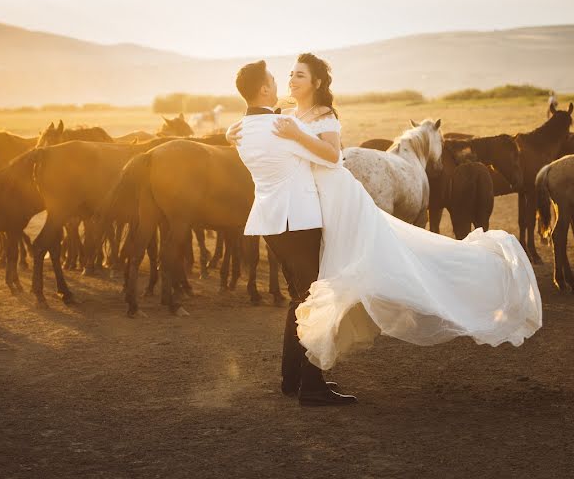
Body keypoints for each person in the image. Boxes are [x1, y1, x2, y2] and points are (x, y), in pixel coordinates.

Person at [227, 53, 542, 394]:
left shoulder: (323, 116)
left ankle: (302, 380)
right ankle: (303, 382)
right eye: (289, 75)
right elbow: (269, 130)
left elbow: (332, 156)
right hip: (310, 209)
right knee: (308, 296)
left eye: (299, 75)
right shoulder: (288, 117)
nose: (290, 80)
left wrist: (258, 127)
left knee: (331, 285)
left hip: (337, 202)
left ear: (317, 83)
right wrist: (238, 128)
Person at [231, 58, 357, 407]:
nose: (283, 82)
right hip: (298, 220)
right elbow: (332, 158)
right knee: (313, 299)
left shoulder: (240, 130)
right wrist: (300, 132)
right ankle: (312, 386)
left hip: (270, 223)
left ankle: (292, 378)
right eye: (277, 78)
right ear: (265, 89)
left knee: (299, 297)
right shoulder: (283, 125)